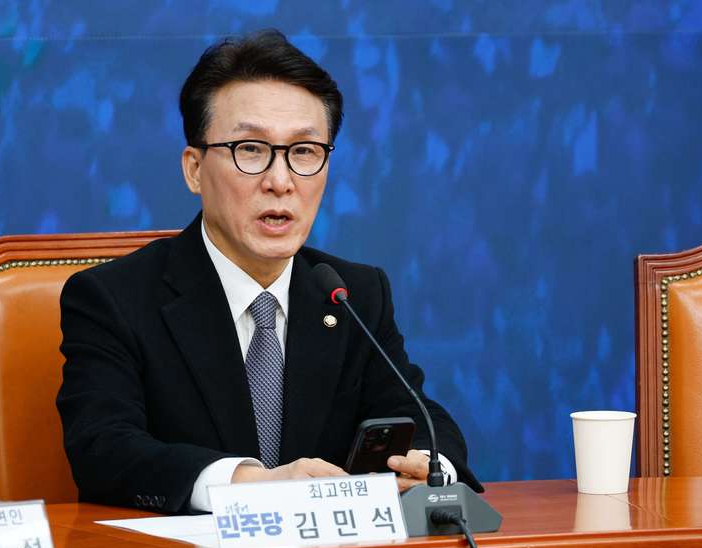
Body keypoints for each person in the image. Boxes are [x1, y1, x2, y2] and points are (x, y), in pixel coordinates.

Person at [56, 29, 481, 514]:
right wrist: (250, 484)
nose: (280, 182)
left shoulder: (352, 294)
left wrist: (428, 465)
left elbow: (420, 417)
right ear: (194, 169)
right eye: (251, 149)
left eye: (304, 152)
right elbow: (104, 449)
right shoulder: (113, 299)